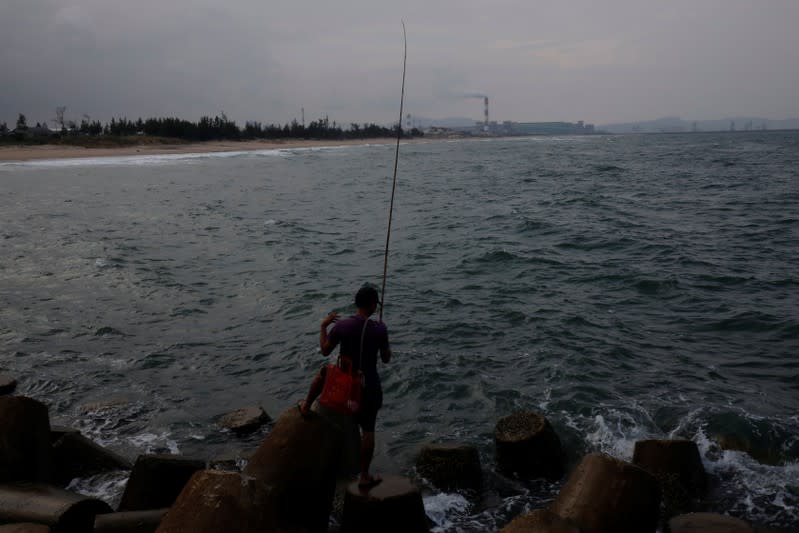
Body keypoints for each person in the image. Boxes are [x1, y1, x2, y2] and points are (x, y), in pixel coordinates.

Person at [299, 285, 392, 489]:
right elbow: (386, 359)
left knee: (323, 372)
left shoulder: (342, 326)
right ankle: (364, 476)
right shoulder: (379, 329)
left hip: (343, 383)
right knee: (368, 430)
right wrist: (382, 335)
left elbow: (325, 351)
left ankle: (306, 406)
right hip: (369, 386)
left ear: (357, 304)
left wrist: (323, 327)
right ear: (373, 305)